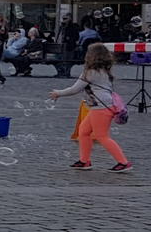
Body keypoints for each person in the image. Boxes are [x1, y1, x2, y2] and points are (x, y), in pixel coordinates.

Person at [50, 42, 132, 173]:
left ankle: (123, 162)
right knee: (83, 131)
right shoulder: (105, 69)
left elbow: (74, 89)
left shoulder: (90, 72)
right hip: (101, 106)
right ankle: (84, 161)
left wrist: (58, 93)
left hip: (100, 107)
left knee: (102, 136)